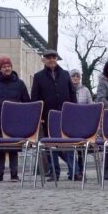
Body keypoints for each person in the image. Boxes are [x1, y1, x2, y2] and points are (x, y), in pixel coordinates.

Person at [30, 49, 78, 181]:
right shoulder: (38, 77)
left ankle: (74, 171)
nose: (51, 59)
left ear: (56, 59)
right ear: (44, 59)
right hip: (47, 117)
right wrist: (38, 116)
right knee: (50, 144)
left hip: (65, 114)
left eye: (54, 57)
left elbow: (72, 93)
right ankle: (54, 172)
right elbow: (34, 98)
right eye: (48, 57)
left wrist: (74, 110)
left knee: (69, 144)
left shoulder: (65, 74)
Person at [0, 56, 31, 181]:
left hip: (14, 123)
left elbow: (27, 102)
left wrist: (21, 115)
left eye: (8, 66)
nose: (7, 68)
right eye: (4, 67)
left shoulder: (20, 84)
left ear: (11, 67)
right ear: (0, 69)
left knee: (13, 148)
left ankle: (14, 174)